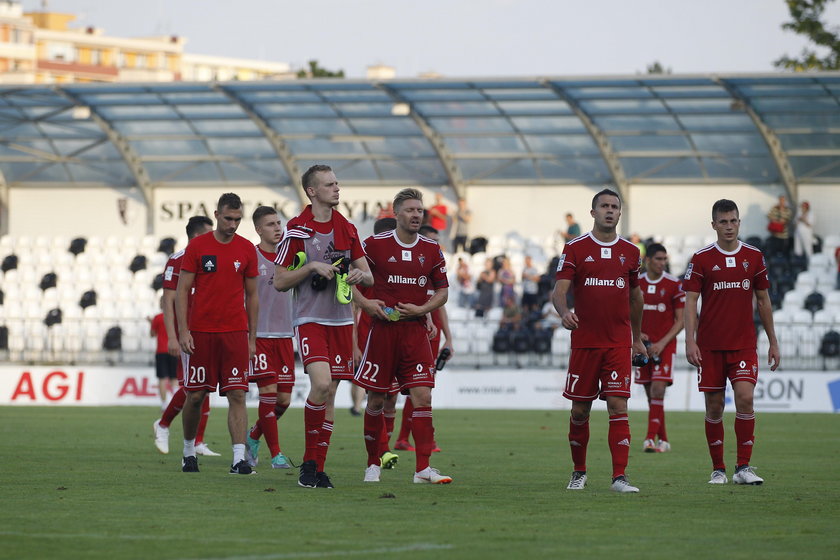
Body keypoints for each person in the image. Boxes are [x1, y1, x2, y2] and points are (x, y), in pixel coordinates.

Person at [274, 164, 373, 489]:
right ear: (312, 191)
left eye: (337, 183)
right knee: (321, 383)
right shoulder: (298, 230)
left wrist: (360, 276)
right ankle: (308, 463)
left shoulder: (347, 228)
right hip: (311, 319)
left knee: (330, 393)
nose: (337, 188)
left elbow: (368, 275)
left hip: (343, 321)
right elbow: (279, 281)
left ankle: (318, 468)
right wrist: (312, 266)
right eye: (330, 184)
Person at [353, 188, 452, 485]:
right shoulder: (374, 245)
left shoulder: (432, 249)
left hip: (415, 333)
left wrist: (422, 309)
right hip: (382, 332)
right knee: (376, 399)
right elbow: (349, 282)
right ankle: (373, 462)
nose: (416, 215)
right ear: (395, 214)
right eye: (410, 210)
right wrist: (367, 304)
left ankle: (423, 469)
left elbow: (443, 292)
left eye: (419, 210)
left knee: (423, 396)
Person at [552, 188, 646, 493]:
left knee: (618, 405)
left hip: (618, 343)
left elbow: (635, 297)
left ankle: (620, 476)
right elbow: (559, 291)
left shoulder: (631, 253)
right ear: (592, 213)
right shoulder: (575, 248)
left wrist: (637, 340)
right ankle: (579, 471)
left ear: (620, 213)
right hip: (585, 343)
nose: (609, 210)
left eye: (614, 206)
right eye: (604, 206)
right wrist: (565, 312)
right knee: (580, 410)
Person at [684, 199, 780, 485]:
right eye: (723, 222)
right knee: (714, 407)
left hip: (743, 344)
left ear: (739, 223)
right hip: (710, 346)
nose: (729, 226)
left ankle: (743, 468)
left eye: (733, 221)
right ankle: (718, 469)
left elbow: (763, 300)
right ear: (713, 224)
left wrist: (773, 341)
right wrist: (690, 341)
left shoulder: (754, 256)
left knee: (746, 398)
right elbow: (690, 301)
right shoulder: (701, 258)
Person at [176, 193, 259, 475]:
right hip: (201, 333)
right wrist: (184, 331)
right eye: (228, 218)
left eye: (237, 219)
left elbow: (253, 296)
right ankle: (188, 451)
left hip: (235, 333)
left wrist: (251, 338)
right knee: (196, 396)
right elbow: (182, 291)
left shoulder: (247, 249)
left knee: (237, 394)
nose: (233, 224)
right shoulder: (198, 246)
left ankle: (238, 459)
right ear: (216, 215)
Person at [152, 216, 219, 458]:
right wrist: (173, 336)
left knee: (206, 385)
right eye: (209, 233)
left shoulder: (211, 260)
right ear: (197, 236)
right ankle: (163, 424)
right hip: (187, 334)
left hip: (210, 331)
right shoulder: (178, 260)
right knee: (193, 386)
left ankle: (198, 441)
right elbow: (168, 300)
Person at [393, 224, 453, 453]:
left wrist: (449, 338)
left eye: (437, 240)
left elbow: (442, 306)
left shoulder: (435, 268)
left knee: (423, 387)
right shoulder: (411, 267)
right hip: (414, 328)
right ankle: (400, 439)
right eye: (431, 239)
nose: (435, 245)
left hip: (432, 332)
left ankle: (407, 438)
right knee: (414, 386)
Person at [244, 206, 295, 470]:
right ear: (258, 229)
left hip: (286, 336)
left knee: (284, 401)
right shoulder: (250, 257)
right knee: (268, 394)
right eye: (271, 224)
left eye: (279, 223)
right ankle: (276, 455)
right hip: (260, 335)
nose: (277, 228)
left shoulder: (292, 257)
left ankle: (253, 436)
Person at [635, 243, 685, 454]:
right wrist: (636, 335)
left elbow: (681, 321)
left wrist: (662, 343)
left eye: (665, 259)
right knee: (651, 396)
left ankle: (649, 439)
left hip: (664, 346)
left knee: (657, 390)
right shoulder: (636, 284)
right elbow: (625, 314)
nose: (662, 263)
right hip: (641, 347)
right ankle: (663, 439)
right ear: (648, 260)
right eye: (658, 259)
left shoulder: (674, 284)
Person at [149, 297, 177, 409]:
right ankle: (175, 403)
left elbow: (152, 334)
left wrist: (150, 323)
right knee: (174, 378)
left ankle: (164, 403)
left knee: (162, 378)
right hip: (174, 350)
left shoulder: (157, 318)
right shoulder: (176, 317)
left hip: (161, 351)